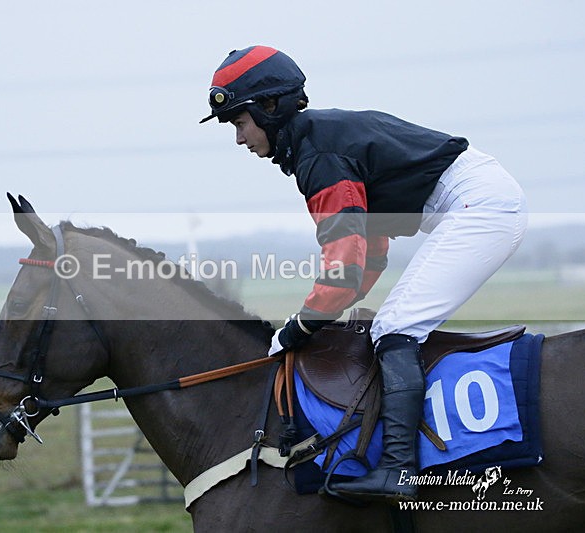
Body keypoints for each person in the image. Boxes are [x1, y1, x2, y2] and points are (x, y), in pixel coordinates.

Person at [200, 45, 527, 503]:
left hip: (478, 207)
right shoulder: (317, 142)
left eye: (239, 122)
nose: (238, 138)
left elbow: (345, 264)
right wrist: (321, 314)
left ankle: (400, 471)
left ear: (269, 107)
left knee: (395, 327)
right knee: (392, 324)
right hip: (478, 201)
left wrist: (300, 326)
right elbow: (369, 256)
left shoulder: (320, 155)